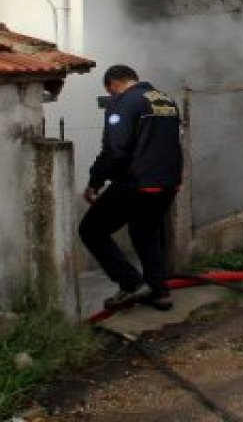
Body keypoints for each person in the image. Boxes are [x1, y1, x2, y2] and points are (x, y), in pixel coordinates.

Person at [79, 65, 183, 311]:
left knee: (91, 230)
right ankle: (160, 293)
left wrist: (95, 182)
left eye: (110, 92)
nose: (112, 97)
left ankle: (131, 284)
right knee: (145, 233)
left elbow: (114, 149)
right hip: (169, 182)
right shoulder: (166, 100)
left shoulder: (123, 102)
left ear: (113, 84)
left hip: (137, 182)